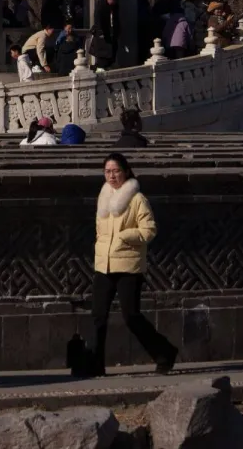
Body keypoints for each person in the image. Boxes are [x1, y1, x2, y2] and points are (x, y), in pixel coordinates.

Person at [79, 153, 176, 377]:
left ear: (125, 171)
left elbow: (149, 229)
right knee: (98, 315)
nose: (112, 176)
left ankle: (165, 353)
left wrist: (125, 236)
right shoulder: (103, 197)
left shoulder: (136, 199)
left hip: (128, 265)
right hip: (104, 264)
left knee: (131, 316)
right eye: (108, 171)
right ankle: (95, 364)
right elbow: (99, 229)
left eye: (116, 171)